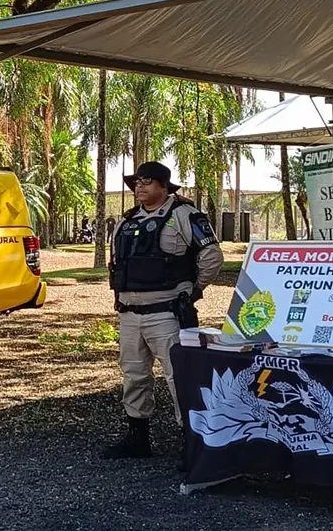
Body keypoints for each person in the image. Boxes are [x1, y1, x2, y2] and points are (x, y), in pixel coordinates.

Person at [104, 161, 223, 464]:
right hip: (130, 314)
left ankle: (191, 443)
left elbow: (211, 256)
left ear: (163, 185)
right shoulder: (127, 221)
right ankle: (138, 437)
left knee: (177, 377)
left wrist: (193, 292)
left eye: (146, 181)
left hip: (167, 313)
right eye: (136, 183)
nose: (139, 187)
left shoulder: (184, 214)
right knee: (133, 376)